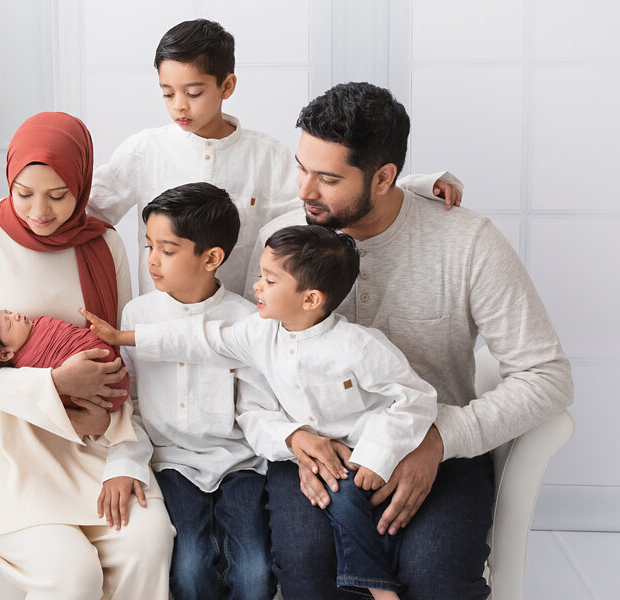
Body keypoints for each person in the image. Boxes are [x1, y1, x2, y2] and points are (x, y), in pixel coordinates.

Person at [245, 82, 574, 599]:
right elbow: (251, 365)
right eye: (302, 167)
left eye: (328, 178)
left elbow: (547, 375)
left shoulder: (467, 243)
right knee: (310, 573)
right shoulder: (284, 240)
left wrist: (441, 439)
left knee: (433, 579)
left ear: (383, 177)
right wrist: (290, 438)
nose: (305, 191)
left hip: (434, 446)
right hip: (320, 448)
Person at [0, 18, 461, 298]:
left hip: (238, 324)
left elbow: (331, 193)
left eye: (193, 91)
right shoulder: (145, 150)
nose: (179, 107)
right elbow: (77, 204)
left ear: (227, 85)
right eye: (167, 93)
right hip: (162, 321)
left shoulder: (267, 155)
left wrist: (414, 184)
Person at [87, 224, 439, 599]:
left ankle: (378, 587)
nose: (256, 286)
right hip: (311, 454)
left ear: (310, 299)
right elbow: (201, 339)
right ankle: (375, 583)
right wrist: (126, 338)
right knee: (337, 497)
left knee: (347, 498)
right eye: (260, 275)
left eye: (269, 280)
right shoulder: (259, 332)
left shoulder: (359, 347)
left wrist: (377, 457)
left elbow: (416, 398)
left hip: (361, 448)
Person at [0, 111, 174, 600]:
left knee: (147, 543)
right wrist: (56, 384)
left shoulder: (104, 245)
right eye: (23, 194)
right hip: (1, 444)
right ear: (8, 181)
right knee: (71, 574)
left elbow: (121, 360)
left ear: (82, 185)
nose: (39, 211)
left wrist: (123, 455)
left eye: (58, 195)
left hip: (88, 439)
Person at [95, 182, 277, 600]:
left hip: (240, 465)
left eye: (168, 250)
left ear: (211, 258)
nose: (153, 261)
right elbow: (131, 405)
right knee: (189, 568)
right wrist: (124, 463)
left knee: (256, 572)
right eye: (149, 246)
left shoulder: (245, 320)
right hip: (171, 463)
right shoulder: (137, 314)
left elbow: (256, 407)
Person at [0, 306, 129, 411]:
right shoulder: (28, 372)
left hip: (113, 364)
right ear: (5, 354)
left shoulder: (39, 325)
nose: (16, 315)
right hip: (107, 388)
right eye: (10, 323)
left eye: (9, 312)